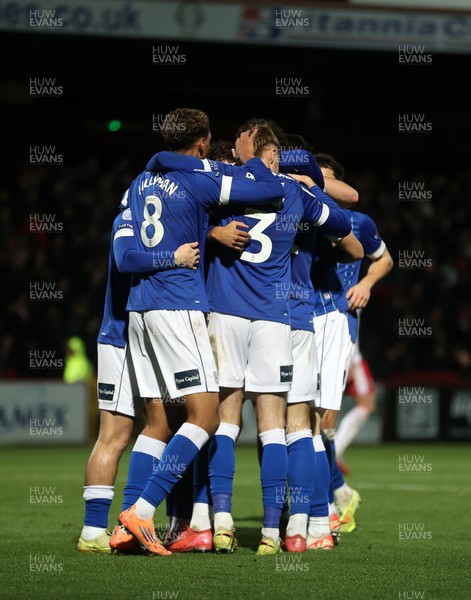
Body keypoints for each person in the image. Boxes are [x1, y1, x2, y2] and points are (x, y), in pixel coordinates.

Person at [113, 107, 287, 556]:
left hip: (139, 309)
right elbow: (268, 188)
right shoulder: (200, 176)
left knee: (156, 423)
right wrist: (249, 156)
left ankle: (125, 526)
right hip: (178, 304)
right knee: (207, 417)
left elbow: (134, 246)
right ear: (204, 143)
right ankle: (143, 510)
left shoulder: (140, 181)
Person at [77, 203, 200, 554]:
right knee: (114, 435)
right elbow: (125, 260)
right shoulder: (128, 220)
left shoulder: (157, 221)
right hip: (120, 340)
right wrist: (173, 257)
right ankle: (92, 530)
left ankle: (135, 525)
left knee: (167, 425)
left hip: (150, 337)